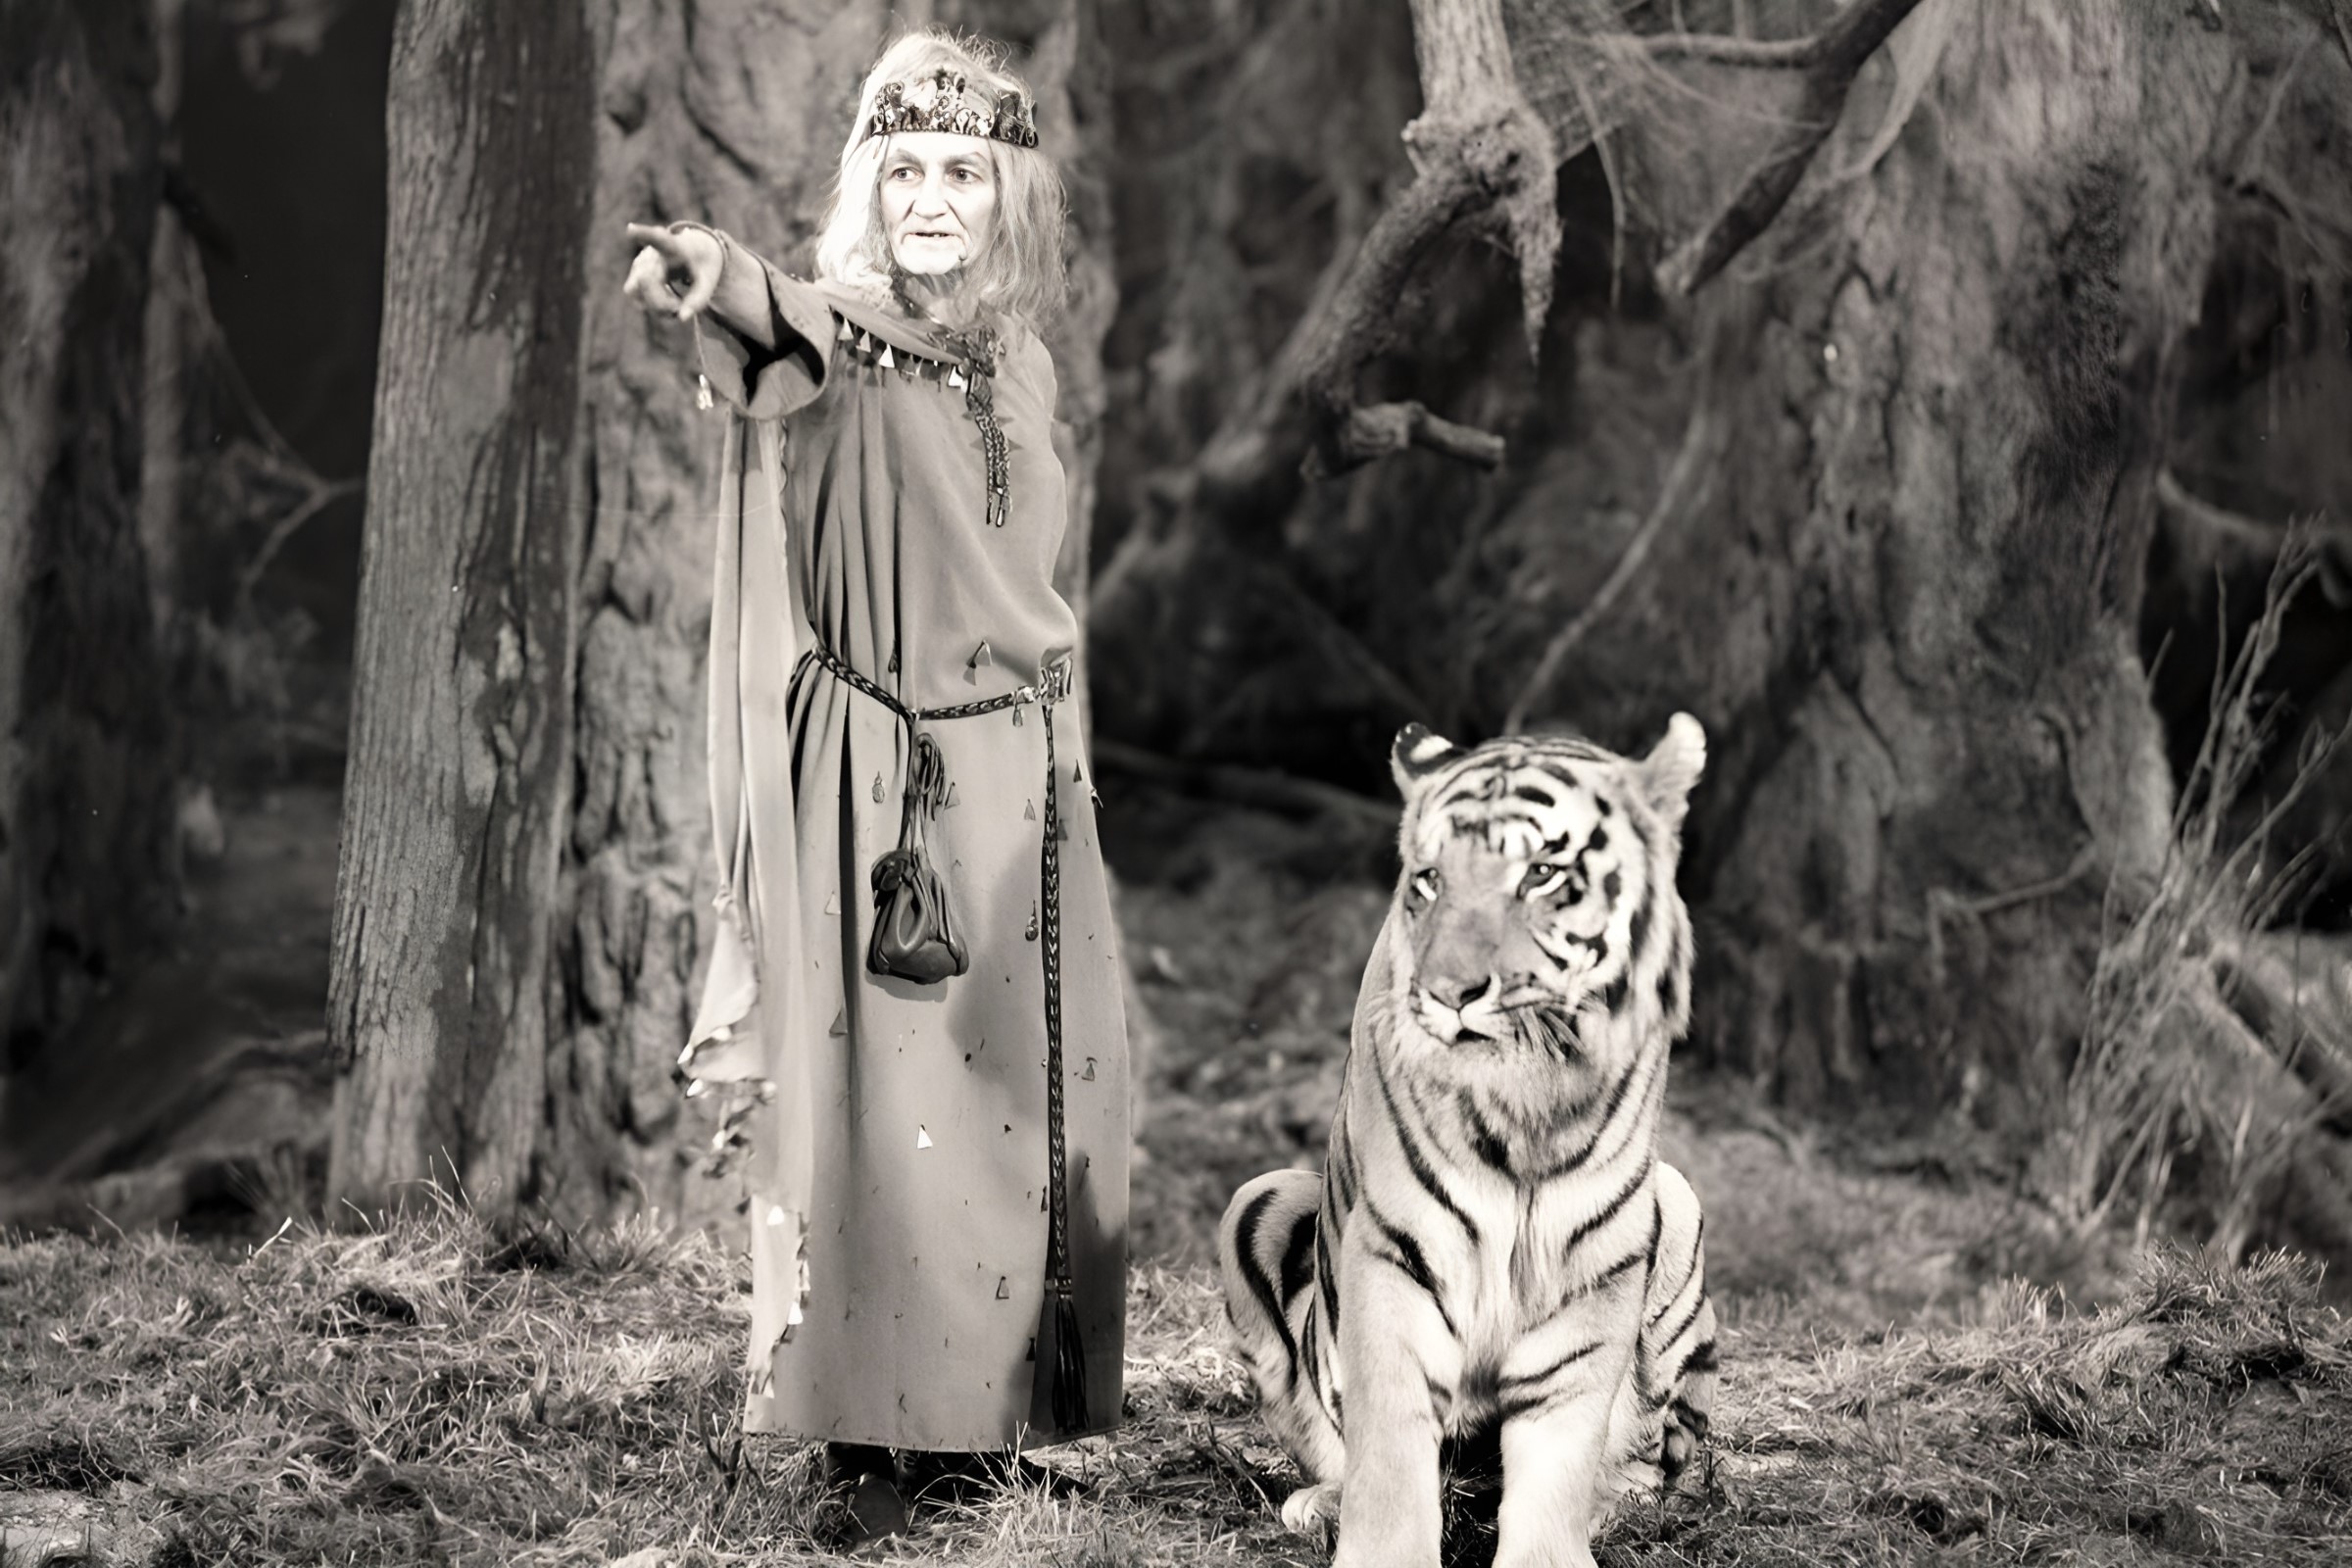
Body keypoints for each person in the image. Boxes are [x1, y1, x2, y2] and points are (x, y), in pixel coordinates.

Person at [622, 30, 1128, 1544]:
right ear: (869, 186)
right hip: (885, 785)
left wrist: (1065, 760)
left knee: (1021, 1109)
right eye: (903, 170)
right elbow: (767, 313)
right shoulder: (839, 336)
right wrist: (706, 272)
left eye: (962, 173)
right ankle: (872, 1443)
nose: (931, 199)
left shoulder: (1021, 359)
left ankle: (990, 1426)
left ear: (1008, 197)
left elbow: (1028, 582)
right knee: (887, 1113)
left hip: (1026, 774)